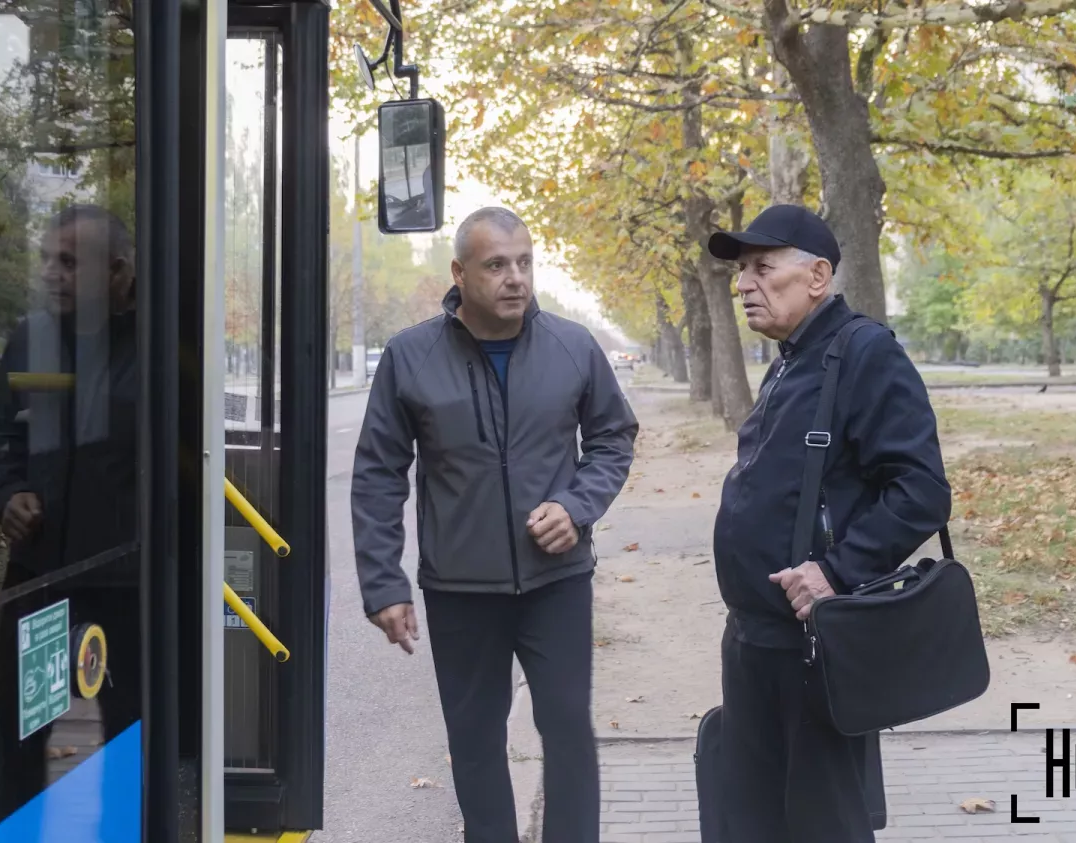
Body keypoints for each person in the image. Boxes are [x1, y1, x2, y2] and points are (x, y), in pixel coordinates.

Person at [351, 207, 638, 843]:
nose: (515, 278)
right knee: (476, 743)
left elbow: (614, 438)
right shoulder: (410, 356)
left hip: (557, 582)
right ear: (460, 272)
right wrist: (384, 583)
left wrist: (577, 505)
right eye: (497, 265)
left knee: (568, 729)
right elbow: (378, 474)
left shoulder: (573, 346)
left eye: (525, 263)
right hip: (459, 589)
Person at [706, 204, 951, 843]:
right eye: (740, 271)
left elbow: (921, 490)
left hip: (812, 646)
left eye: (763, 267)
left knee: (824, 825)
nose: (744, 283)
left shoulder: (864, 353)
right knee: (755, 821)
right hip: (755, 640)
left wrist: (836, 572)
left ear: (818, 276)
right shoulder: (791, 358)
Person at [0, 203, 142, 826]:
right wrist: (8, 495)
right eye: (47, 258)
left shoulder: (161, 345)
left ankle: (121, 830)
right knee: (19, 728)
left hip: (126, 580)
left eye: (70, 262)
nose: (52, 272)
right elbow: (3, 437)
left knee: (129, 725)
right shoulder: (31, 338)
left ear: (119, 271)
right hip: (39, 576)